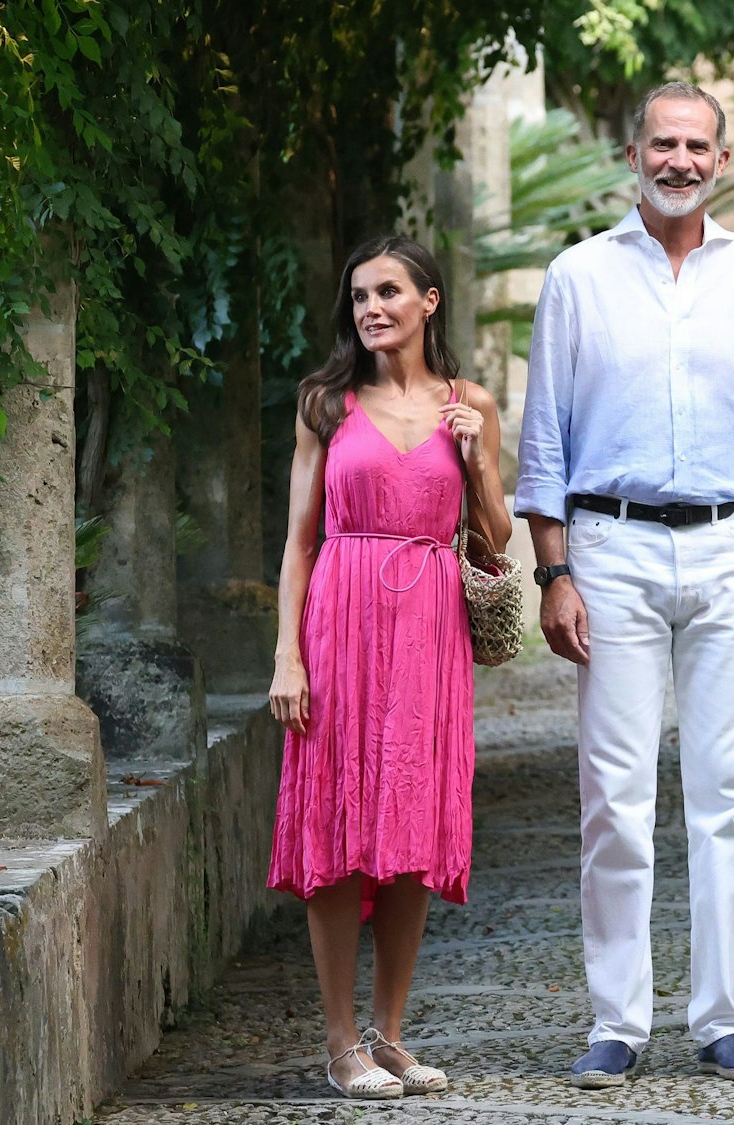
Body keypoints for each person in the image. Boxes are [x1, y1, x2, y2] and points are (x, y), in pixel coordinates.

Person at [516, 81, 734, 1090]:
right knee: (614, 794)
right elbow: (544, 437)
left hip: (732, 546)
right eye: (662, 144)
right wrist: (554, 573)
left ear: (718, 161)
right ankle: (617, 1022)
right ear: (631, 153)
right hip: (613, 546)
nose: (679, 160)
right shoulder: (576, 277)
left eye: (696, 146)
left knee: (729, 792)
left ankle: (723, 1018)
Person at [267, 236, 511, 1100]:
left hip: (430, 628)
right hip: (342, 618)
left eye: (390, 291)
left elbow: (494, 539)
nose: (372, 307)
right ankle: (339, 1042)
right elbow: (299, 543)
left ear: (429, 302)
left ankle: (389, 1033)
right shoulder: (326, 404)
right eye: (361, 295)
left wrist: (478, 451)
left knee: (409, 832)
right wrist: (287, 654)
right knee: (337, 829)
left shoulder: (469, 401)